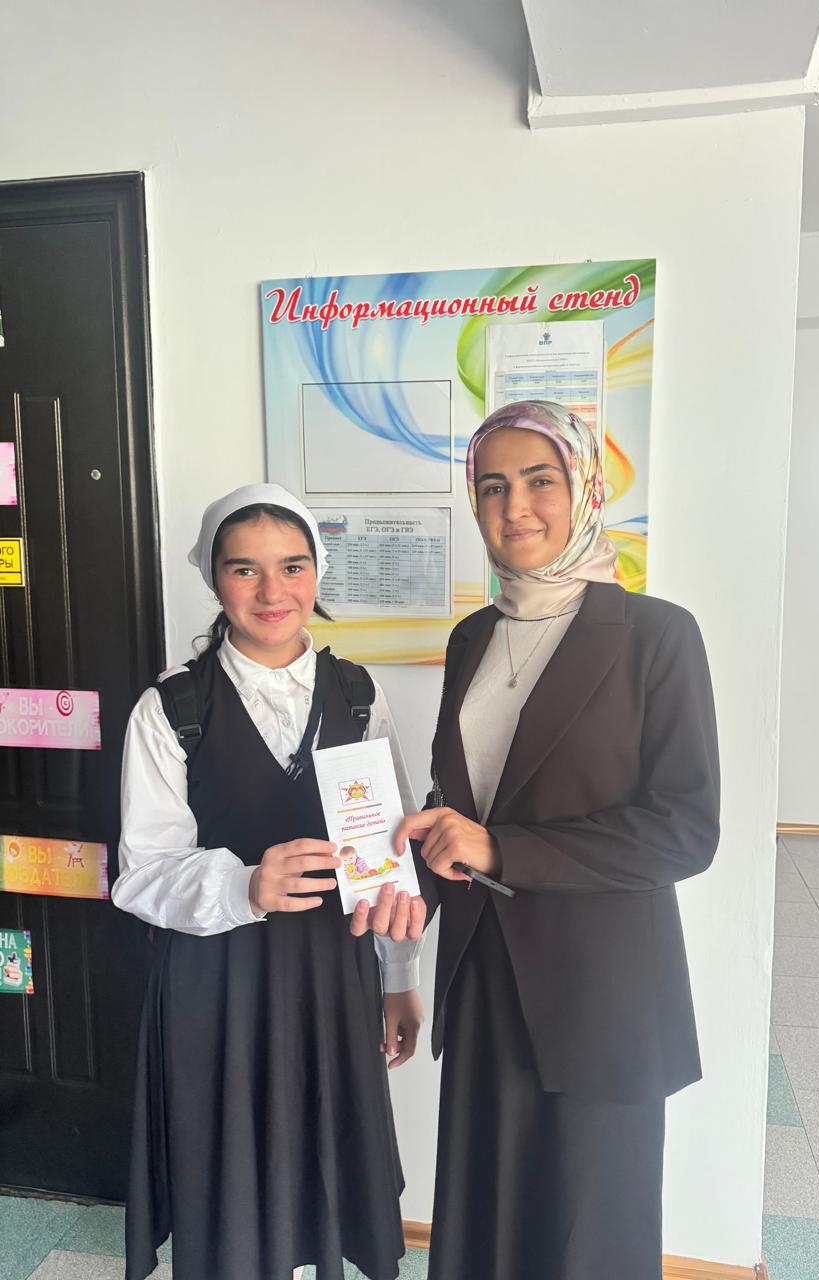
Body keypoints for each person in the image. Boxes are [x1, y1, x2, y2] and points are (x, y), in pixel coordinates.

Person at [394, 401, 722, 1280]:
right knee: (487, 1223)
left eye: (541, 480)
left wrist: (501, 851)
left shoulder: (656, 635)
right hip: (484, 978)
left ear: (585, 489)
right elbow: (456, 804)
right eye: (492, 487)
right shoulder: (473, 636)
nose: (515, 508)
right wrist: (398, 899)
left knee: (588, 1236)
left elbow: (685, 830)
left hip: (601, 991)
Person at [113, 483, 425, 1280]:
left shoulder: (358, 694)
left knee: (321, 1170)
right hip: (215, 987)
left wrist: (400, 978)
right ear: (215, 579)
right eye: (244, 569)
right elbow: (141, 873)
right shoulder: (172, 706)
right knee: (232, 1187)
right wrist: (245, 886)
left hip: (331, 975)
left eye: (292, 566)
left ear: (317, 572)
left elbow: (388, 858)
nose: (272, 591)